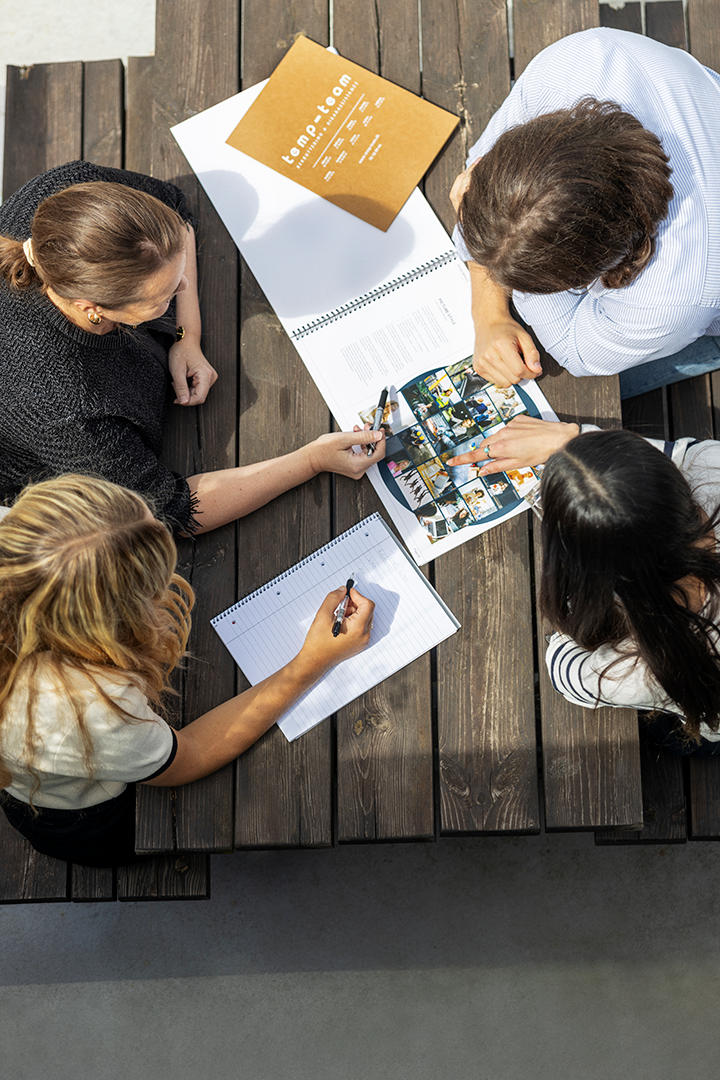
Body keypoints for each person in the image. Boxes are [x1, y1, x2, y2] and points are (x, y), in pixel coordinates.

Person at [0, 475, 375, 867]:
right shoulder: (88, 711)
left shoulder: (18, 536)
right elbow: (189, 756)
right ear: (112, 625)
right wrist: (310, 662)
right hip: (87, 819)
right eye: (152, 591)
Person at [0, 162, 383, 535]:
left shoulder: (70, 192)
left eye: (179, 273)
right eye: (164, 296)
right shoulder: (66, 408)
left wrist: (188, 333)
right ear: (94, 309)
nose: (184, 288)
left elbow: (176, 216)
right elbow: (172, 513)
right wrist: (311, 460)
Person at [450, 28, 720, 399]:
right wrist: (488, 311)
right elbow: (475, 175)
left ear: (594, 270)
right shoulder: (579, 60)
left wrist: (495, 293)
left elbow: (575, 350)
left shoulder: (670, 299)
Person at [456, 416, 720, 754]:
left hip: (706, 711)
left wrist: (575, 615)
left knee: (672, 739)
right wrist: (575, 442)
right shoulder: (710, 467)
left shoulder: (635, 670)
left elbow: (566, 673)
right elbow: (685, 455)